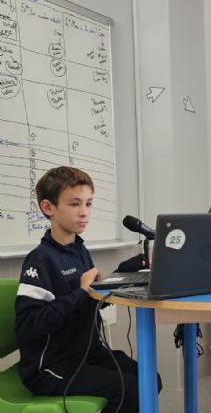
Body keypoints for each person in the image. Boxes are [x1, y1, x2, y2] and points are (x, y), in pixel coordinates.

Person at [15, 166, 161, 413]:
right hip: (51, 367)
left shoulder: (79, 250)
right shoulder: (40, 261)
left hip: (88, 353)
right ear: (48, 208)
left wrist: (128, 270)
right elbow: (29, 326)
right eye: (74, 204)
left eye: (88, 203)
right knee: (131, 391)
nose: (84, 213)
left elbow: (90, 298)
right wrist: (80, 293)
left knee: (150, 380)